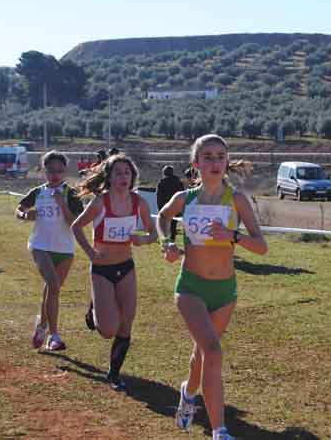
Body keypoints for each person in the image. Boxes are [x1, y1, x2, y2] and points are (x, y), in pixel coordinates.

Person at [157, 134, 267, 440]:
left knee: (203, 354)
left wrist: (233, 235)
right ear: (196, 163)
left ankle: (188, 393)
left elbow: (261, 247)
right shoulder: (185, 199)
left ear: (227, 162)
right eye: (208, 156)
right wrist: (165, 242)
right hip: (191, 286)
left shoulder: (238, 201)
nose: (215, 162)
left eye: (221, 156)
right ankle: (220, 431)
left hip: (224, 291)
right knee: (214, 351)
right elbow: (163, 217)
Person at [71, 154, 157, 391]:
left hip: (126, 267)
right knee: (108, 330)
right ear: (109, 177)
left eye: (127, 173)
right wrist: (90, 252)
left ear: (133, 177)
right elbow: (76, 226)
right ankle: (94, 308)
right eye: (118, 173)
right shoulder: (100, 203)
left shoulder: (139, 202)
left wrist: (144, 240)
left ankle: (114, 374)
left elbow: (153, 233)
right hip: (102, 269)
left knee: (126, 321)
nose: (123, 177)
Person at [16, 151, 84, 352]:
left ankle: (42, 325)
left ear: (65, 172)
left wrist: (62, 204)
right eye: (51, 170)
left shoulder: (71, 193)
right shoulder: (38, 192)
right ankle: (54, 336)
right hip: (40, 246)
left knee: (52, 289)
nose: (55, 175)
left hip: (65, 249)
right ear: (44, 170)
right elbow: (20, 207)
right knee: (53, 286)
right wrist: (24, 215)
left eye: (60, 171)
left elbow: (75, 223)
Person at [156, 165, 184, 240]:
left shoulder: (161, 182)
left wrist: (159, 208)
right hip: (176, 207)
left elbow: (159, 196)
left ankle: (165, 241)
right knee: (173, 225)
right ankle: (172, 240)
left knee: (164, 226)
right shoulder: (178, 181)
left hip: (165, 207)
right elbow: (182, 194)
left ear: (164, 173)